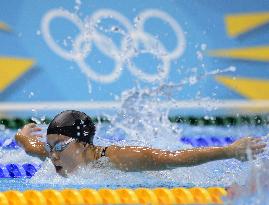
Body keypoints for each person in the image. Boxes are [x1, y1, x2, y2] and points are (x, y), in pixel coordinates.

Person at [15, 110, 266, 177]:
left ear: (82, 145)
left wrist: (229, 150)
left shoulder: (120, 158)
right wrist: (23, 136)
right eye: (49, 148)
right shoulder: (56, 155)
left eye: (58, 147)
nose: (53, 156)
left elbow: (175, 158)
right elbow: (28, 144)